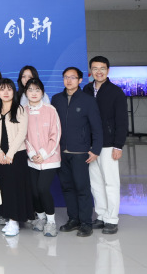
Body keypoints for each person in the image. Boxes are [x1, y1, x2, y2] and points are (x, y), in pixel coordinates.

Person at [52, 67, 103, 237]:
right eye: (66, 77)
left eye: (73, 77)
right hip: (61, 152)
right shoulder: (56, 99)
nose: (69, 80)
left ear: (80, 80)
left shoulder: (88, 100)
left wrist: (95, 149)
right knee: (67, 187)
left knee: (82, 188)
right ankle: (73, 219)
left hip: (80, 152)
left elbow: (96, 127)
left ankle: (86, 222)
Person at [83, 56, 128, 235]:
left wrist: (118, 146)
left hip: (109, 145)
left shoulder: (116, 92)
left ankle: (112, 219)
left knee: (111, 183)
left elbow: (122, 121)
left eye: (102, 68)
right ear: (91, 71)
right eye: (95, 68)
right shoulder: (86, 90)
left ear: (108, 71)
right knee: (96, 183)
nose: (99, 72)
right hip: (91, 145)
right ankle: (101, 215)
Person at [0, 78, 32, 237]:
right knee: (4, 187)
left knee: (15, 188)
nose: (6, 92)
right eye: (2, 89)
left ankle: (14, 221)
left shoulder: (20, 109)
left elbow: (22, 133)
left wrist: (10, 153)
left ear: (14, 92)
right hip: (0, 156)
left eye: (9, 89)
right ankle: (8, 218)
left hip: (16, 155)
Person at [24, 78, 61, 237]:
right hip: (32, 159)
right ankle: (40, 218)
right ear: (26, 93)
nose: (34, 93)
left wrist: (44, 153)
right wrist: (32, 154)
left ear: (42, 92)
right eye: (30, 90)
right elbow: (23, 135)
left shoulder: (50, 110)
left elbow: (56, 134)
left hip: (50, 158)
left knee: (42, 188)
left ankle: (51, 222)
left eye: (37, 90)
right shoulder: (22, 111)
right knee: (34, 191)